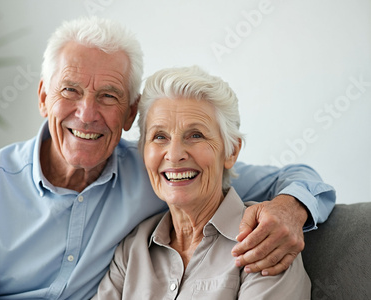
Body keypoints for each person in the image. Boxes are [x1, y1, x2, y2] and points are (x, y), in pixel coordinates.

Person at [0, 17, 334, 299]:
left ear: (129, 114)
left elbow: (298, 177)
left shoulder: (164, 171)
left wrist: (289, 208)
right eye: (70, 90)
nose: (87, 113)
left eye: (108, 95)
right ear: (43, 97)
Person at [93, 66, 311, 299]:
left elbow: (301, 177)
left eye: (196, 135)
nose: (174, 154)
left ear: (231, 152)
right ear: (143, 152)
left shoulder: (266, 241)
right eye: (159, 137)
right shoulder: (133, 248)